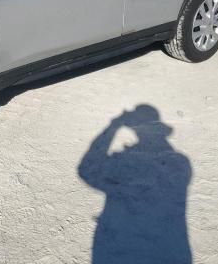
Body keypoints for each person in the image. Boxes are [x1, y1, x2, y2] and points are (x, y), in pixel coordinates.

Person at [79, 104, 192, 264]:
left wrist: (113, 126)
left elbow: (87, 170)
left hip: (120, 248)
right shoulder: (180, 162)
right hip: (168, 249)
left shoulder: (124, 161)